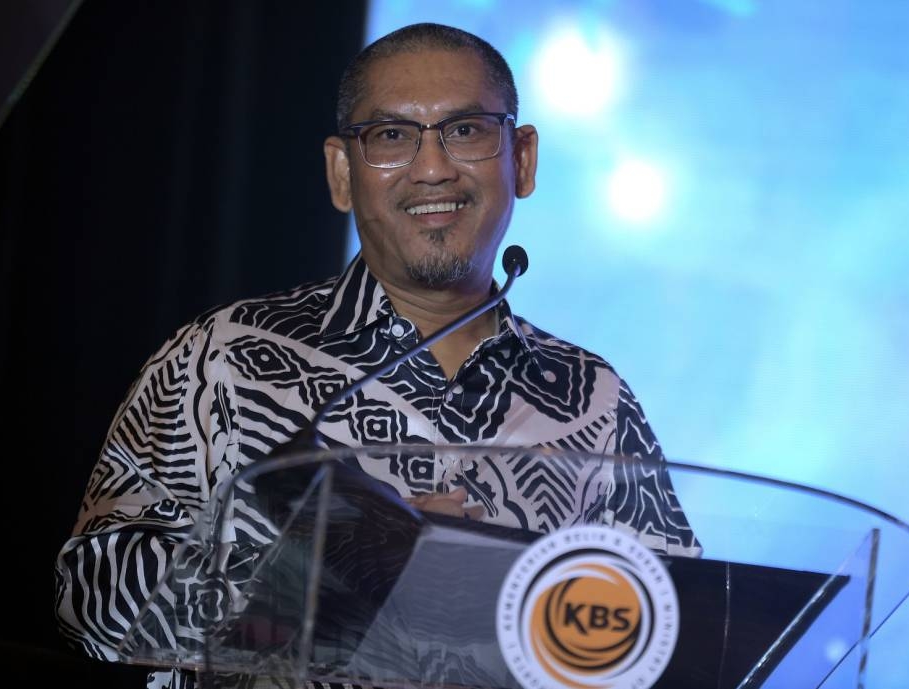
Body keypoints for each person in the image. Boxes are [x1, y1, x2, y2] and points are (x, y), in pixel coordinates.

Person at [55, 22, 699, 689]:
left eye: (467, 129)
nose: (432, 167)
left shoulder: (594, 397)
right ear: (342, 171)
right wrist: (338, 568)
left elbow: (675, 630)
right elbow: (89, 597)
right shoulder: (223, 359)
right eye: (391, 136)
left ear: (523, 158)